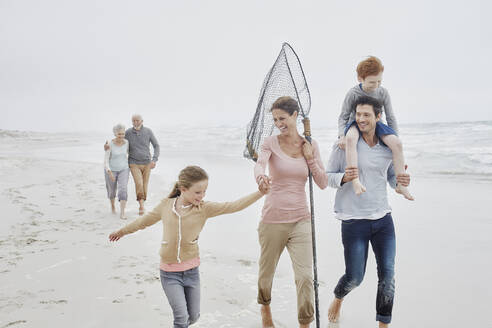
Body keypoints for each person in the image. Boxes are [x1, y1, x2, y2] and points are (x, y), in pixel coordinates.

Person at [109, 165, 268, 328]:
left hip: (191, 273)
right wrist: (122, 231)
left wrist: (260, 193)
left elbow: (233, 206)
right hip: (169, 274)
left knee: (192, 317)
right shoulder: (166, 206)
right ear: (183, 189)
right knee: (181, 318)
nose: (202, 196)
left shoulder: (204, 209)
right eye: (198, 192)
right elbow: (143, 222)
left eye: (204, 191)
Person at [303, 96, 411, 327]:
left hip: (383, 218)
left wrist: (400, 183)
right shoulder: (344, 145)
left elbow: (391, 178)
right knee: (355, 277)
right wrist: (344, 177)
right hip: (353, 221)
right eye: (358, 115)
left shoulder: (386, 147)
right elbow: (326, 177)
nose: (361, 119)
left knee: (388, 277)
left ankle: (383, 323)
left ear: (378, 117)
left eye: (366, 115)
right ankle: (339, 296)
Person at [254, 96, 327, 328]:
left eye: (282, 118)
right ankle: (265, 312)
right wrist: (260, 177)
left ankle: (305, 323)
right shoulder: (270, 142)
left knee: (305, 277)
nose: (278, 123)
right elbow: (260, 163)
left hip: (301, 219)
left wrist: (310, 158)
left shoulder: (311, 145)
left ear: (295, 115)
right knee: (266, 274)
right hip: (273, 219)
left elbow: (323, 182)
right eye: (275, 119)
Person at [337, 56, 414, 201]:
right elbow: (343, 116)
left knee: (397, 144)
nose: (376, 85)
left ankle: (401, 185)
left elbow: (391, 117)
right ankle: (356, 181)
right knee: (350, 139)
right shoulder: (353, 93)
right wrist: (341, 135)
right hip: (356, 122)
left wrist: (394, 137)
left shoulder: (382, 92)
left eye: (379, 81)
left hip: (377, 124)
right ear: (360, 78)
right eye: (372, 82)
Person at [105, 114, 160, 215]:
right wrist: (108, 146)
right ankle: (141, 206)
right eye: (133, 121)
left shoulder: (148, 131)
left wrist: (154, 160)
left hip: (147, 163)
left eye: (137, 120)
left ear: (142, 121)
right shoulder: (128, 132)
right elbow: (118, 138)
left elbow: (156, 146)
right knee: (138, 183)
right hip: (133, 163)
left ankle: (141, 203)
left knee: (144, 185)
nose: (135, 122)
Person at [104, 124, 129, 219]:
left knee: (123, 189)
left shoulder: (127, 142)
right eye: (119, 134)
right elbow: (106, 160)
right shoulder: (109, 144)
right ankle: (113, 206)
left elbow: (129, 153)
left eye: (123, 134)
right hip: (111, 169)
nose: (121, 136)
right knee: (111, 190)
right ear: (115, 134)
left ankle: (122, 212)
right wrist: (109, 172)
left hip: (124, 169)